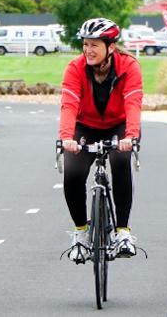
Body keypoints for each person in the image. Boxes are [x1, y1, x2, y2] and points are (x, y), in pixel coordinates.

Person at [58, 18, 142, 263]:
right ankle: (81, 234)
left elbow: (133, 103)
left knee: (120, 162)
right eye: (85, 44)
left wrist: (131, 136)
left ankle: (123, 232)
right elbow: (69, 104)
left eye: (94, 45)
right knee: (72, 172)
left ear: (111, 47)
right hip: (86, 126)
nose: (88, 50)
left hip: (120, 126)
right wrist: (66, 138)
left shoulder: (129, 67)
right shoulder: (75, 68)